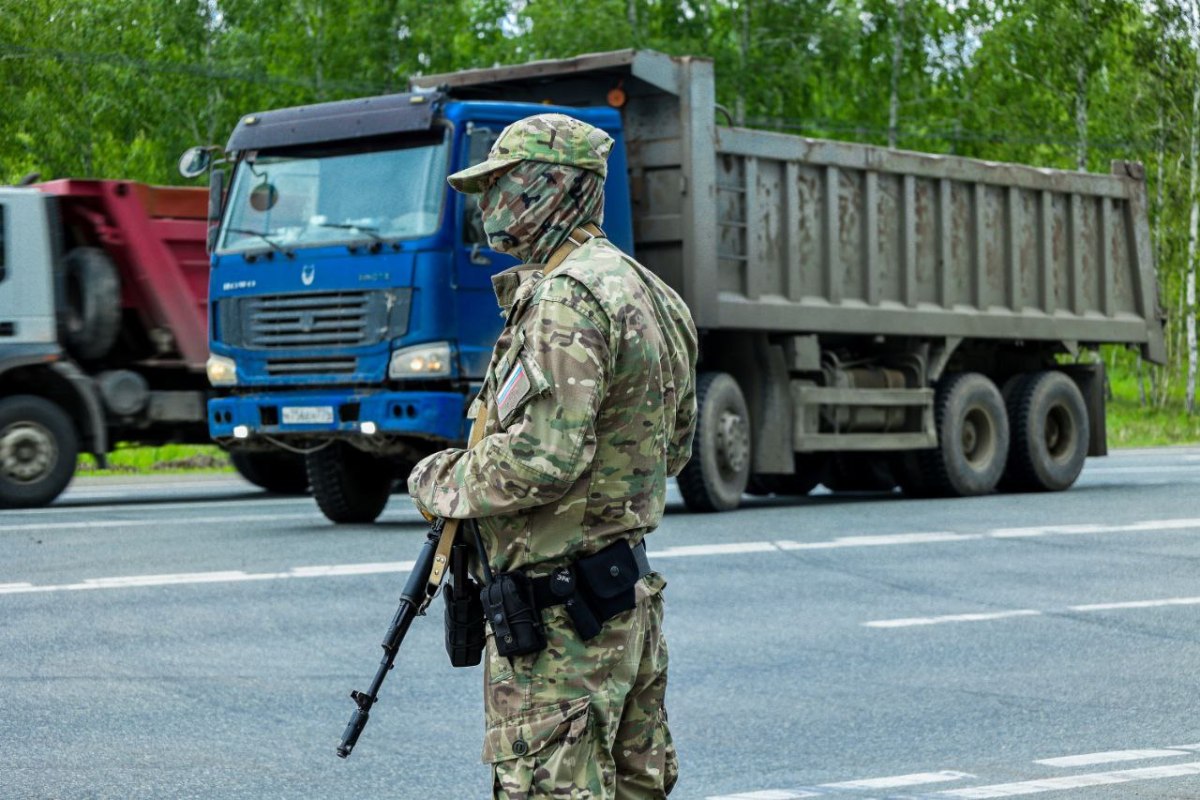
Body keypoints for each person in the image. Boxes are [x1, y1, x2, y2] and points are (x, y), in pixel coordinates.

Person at [406, 112, 698, 799]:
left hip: (563, 632)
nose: (487, 207)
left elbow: (538, 460)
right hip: (624, 609)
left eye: (500, 186)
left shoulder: (567, 298)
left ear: (550, 187)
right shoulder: (650, 291)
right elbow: (672, 448)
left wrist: (436, 479)